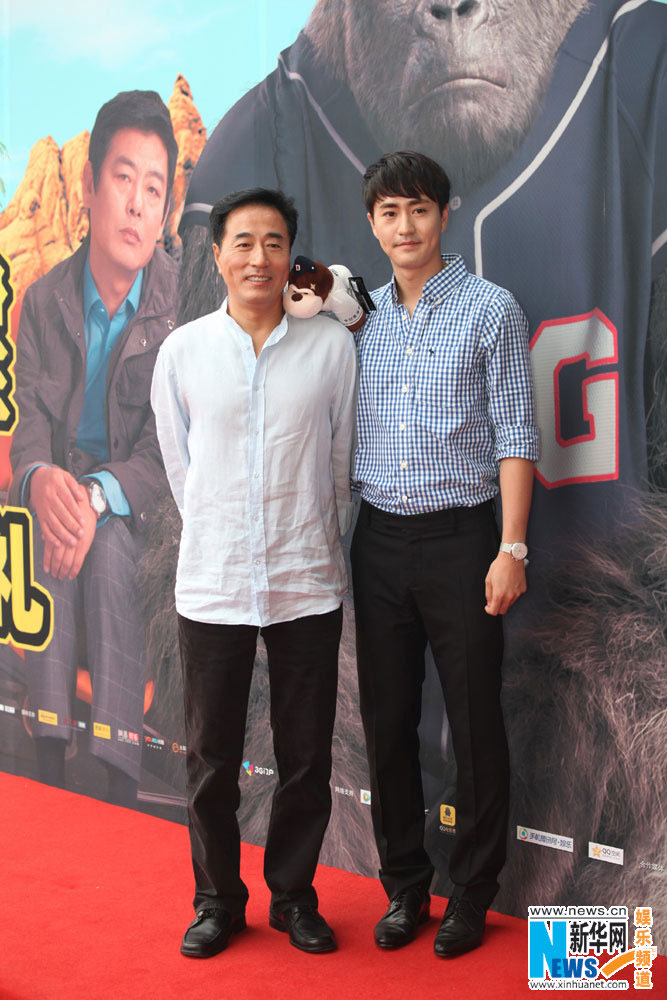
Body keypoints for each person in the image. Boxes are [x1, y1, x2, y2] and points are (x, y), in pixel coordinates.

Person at [150, 188, 357, 957]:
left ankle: (294, 897)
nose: (258, 258)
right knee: (211, 759)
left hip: (307, 581)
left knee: (305, 759)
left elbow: (340, 465)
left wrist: (314, 537)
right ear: (216, 256)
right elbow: (182, 469)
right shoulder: (184, 352)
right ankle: (216, 902)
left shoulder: (329, 348)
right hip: (214, 584)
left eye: (273, 242)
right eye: (242, 242)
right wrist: (223, 532)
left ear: (291, 254)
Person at [351, 151, 540, 957]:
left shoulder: (490, 309)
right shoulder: (359, 318)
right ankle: (404, 886)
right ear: (372, 224)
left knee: (472, 722)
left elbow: (516, 433)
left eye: (418, 210)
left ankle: (470, 892)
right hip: (376, 539)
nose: (405, 227)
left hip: (462, 539)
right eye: (389, 213)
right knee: (386, 721)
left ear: (444, 213)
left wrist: (511, 547)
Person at [9, 90, 179, 807]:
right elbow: (29, 427)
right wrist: (39, 479)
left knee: (103, 545)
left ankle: (118, 783)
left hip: (139, 514)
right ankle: (48, 760)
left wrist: (95, 498)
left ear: (165, 211)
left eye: (154, 189)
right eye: (123, 177)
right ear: (87, 185)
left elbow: (166, 453)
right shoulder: (43, 300)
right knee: (44, 525)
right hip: (63, 499)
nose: (136, 205)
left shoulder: (181, 309)